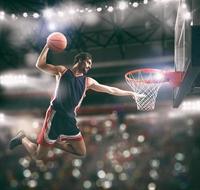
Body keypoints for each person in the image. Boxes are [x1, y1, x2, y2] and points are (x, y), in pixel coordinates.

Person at [9, 43, 144, 160]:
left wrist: (130, 93)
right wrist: (47, 46)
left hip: (70, 119)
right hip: (55, 117)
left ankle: (53, 142)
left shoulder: (88, 81)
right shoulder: (62, 71)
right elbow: (40, 65)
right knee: (39, 156)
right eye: (88, 62)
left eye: (91, 64)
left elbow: (110, 90)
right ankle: (22, 138)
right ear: (79, 60)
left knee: (81, 152)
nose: (90, 66)